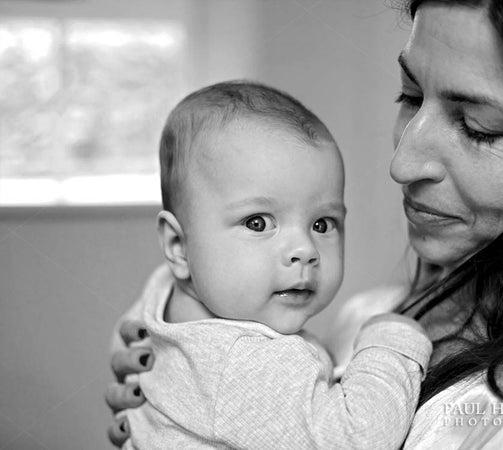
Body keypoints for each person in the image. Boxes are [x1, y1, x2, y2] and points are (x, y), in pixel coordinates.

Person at [106, 0, 503, 448]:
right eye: (409, 96)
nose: (401, 164)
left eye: (477, 127)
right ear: (176, 244)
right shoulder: (365, 317)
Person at [115, 80, 432, 449]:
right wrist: (391, 339)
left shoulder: (165, 294)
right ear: (179, 246)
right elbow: (360, 438)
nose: (304, 249)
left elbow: (128, 333)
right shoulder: (242, 360)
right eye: (258, 222)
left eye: (322, 224)